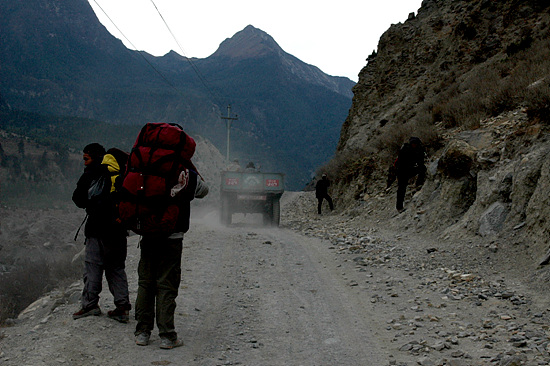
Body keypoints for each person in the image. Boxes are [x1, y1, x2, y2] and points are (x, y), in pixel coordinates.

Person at [134, 164, 209, 349]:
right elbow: (204, 191)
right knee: (166, 283)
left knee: (145, 282)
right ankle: (167, 335)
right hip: (172, 237)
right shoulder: (186, 171)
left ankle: (142, 332)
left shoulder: (147, 164)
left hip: (149, 232)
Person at [72, 143, 131, 322]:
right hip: (118, 230)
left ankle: (90, 305)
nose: (84, 163)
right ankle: (122, 307)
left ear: (95, 156)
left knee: (93, 266)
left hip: (97, 228)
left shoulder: (92, 173)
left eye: (86, 158)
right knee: (116, 268)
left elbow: (78, 199)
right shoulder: (121, 172)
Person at [395, 137, 426, 212]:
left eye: (415, 144)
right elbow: (400, 162)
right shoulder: (405, 149)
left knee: (423, 169)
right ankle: (399, 207)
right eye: (413, 144)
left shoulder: (419, 149)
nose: (414, 145)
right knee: (401, 188)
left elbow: (421, 161)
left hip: (410, 169)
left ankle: (419, 184)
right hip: (402, 170)